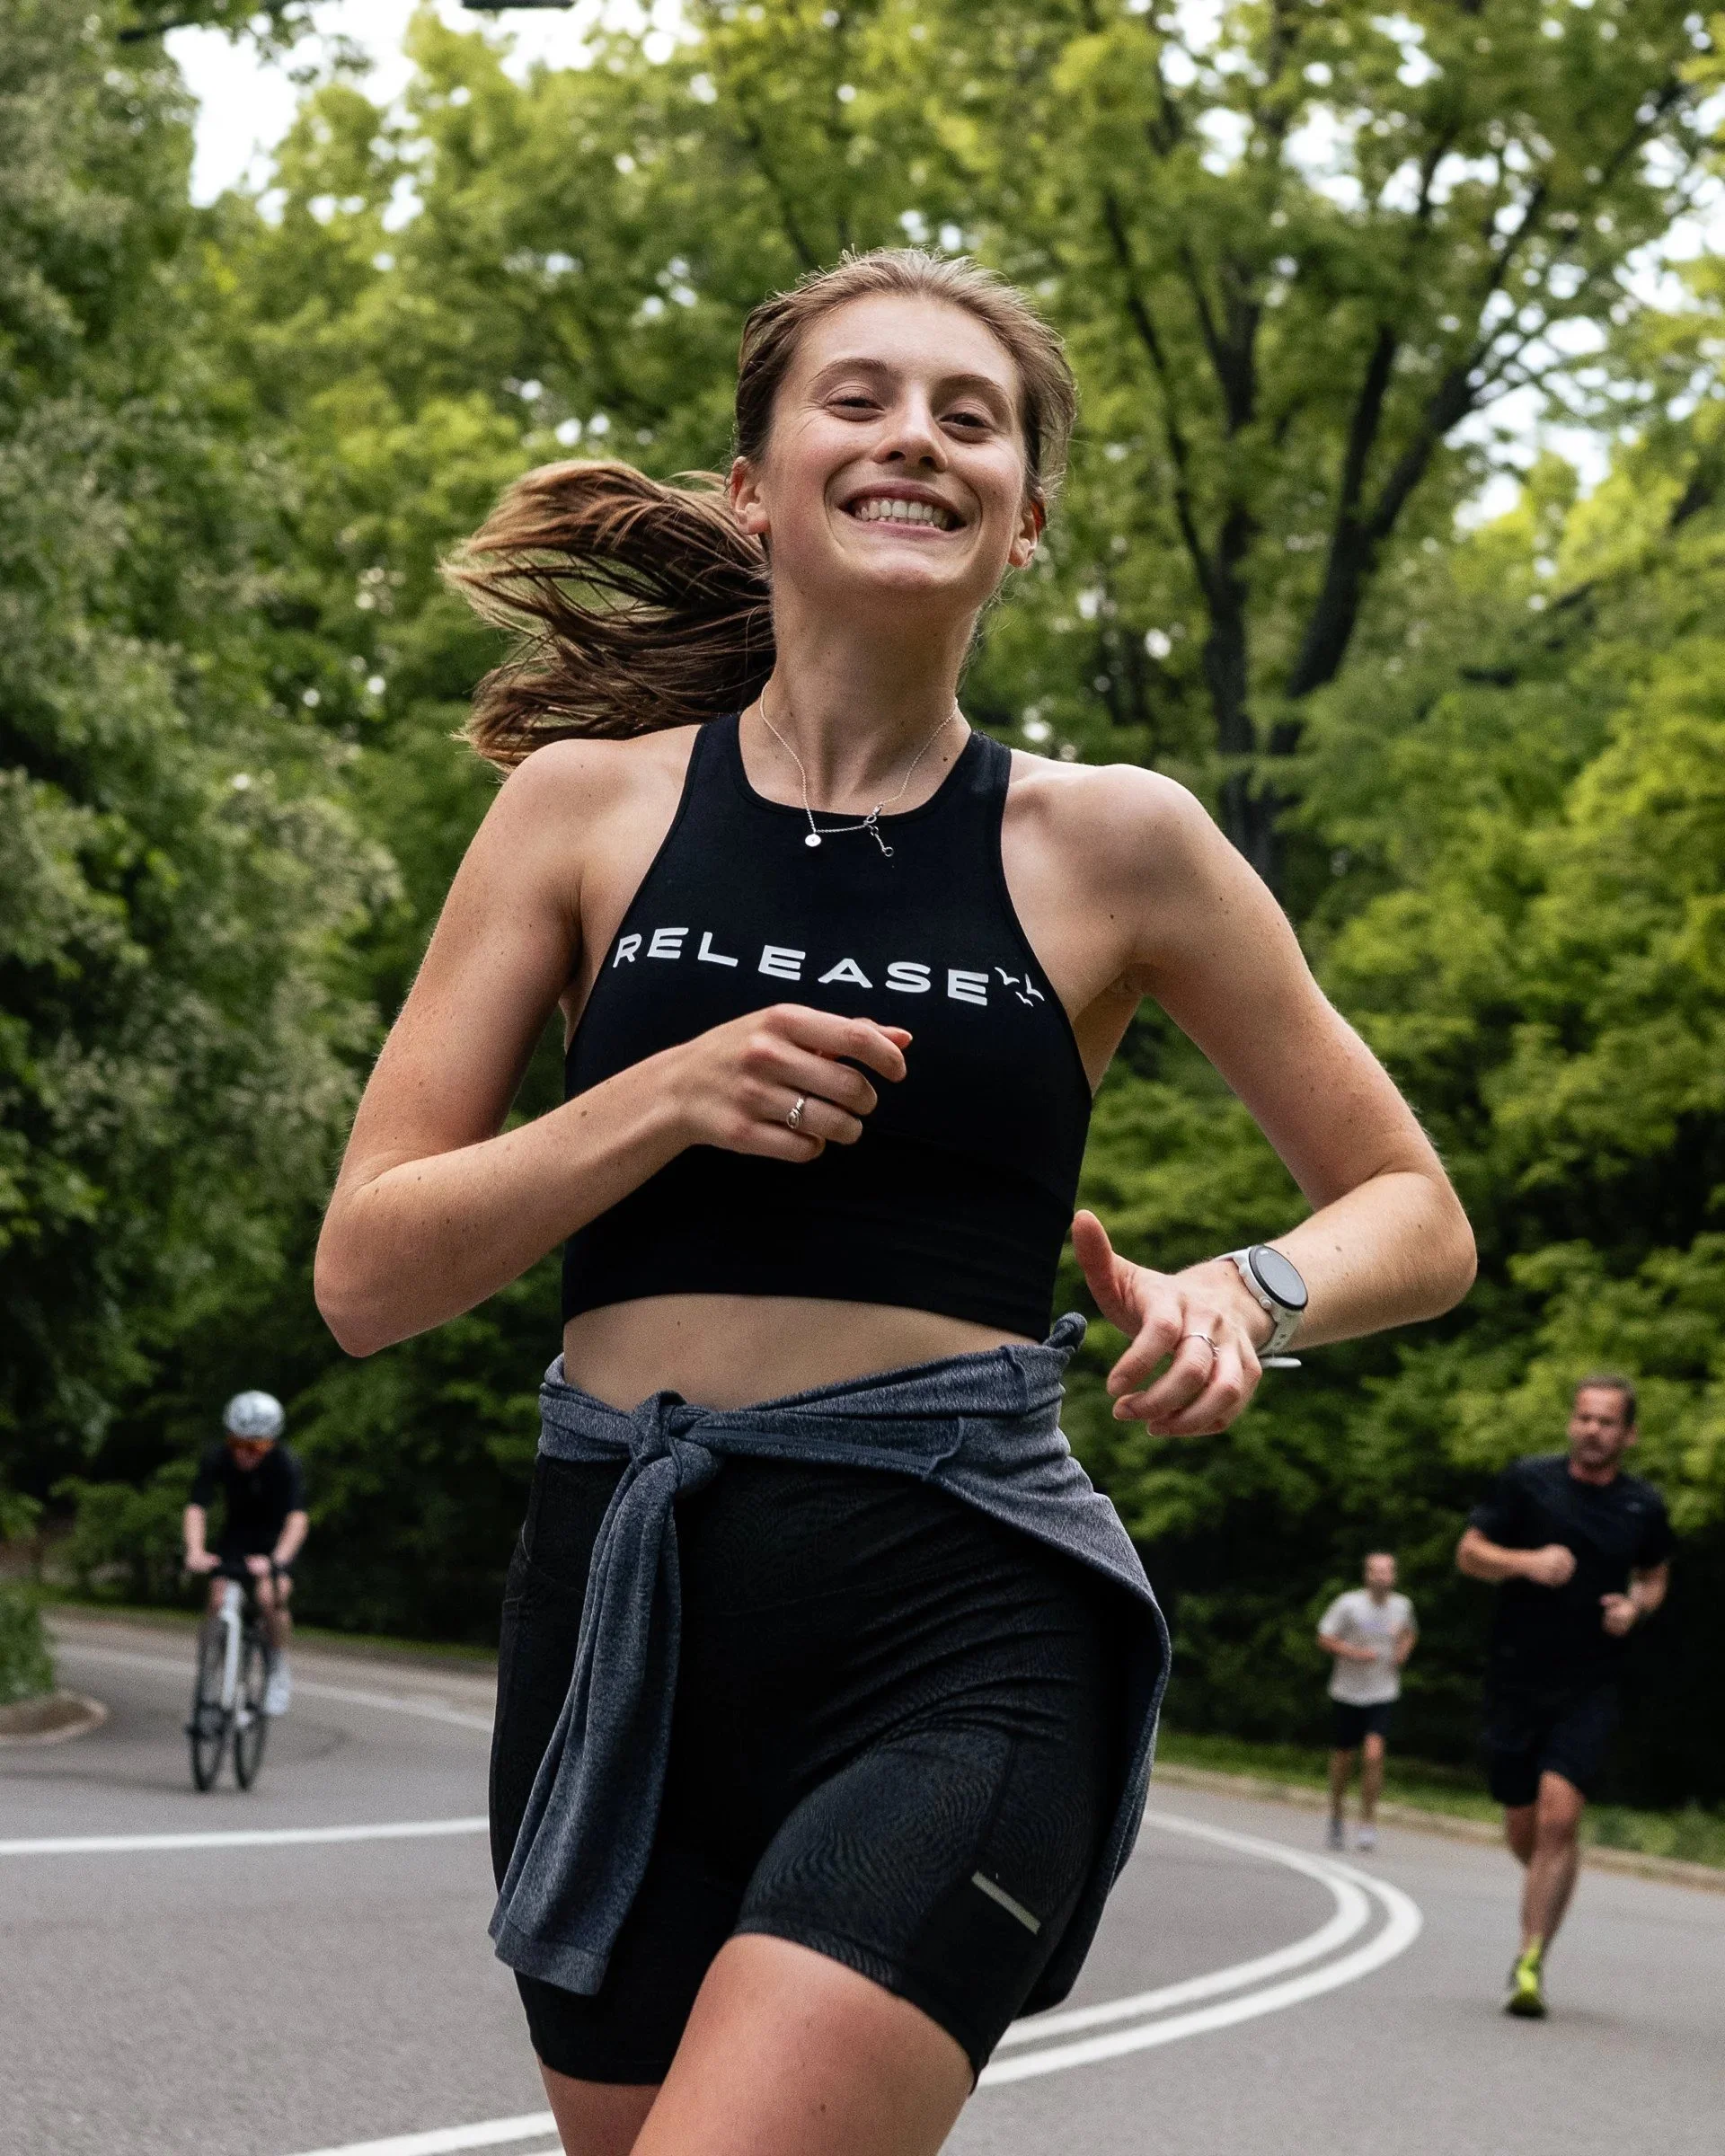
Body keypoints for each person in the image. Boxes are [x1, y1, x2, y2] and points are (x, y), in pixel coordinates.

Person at [314, 248, 1475, 2156]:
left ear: (1025, 522)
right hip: (621, 1605)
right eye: (857, 399)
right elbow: (368, 1276)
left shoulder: (1117, 840)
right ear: (756, 488)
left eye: (971, 418)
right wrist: (657, 1098)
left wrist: (1249, 1291)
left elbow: (1411, 1209)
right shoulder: (582, 811)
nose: (915, 438)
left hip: (956, 1617)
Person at [1456, 1375, 1673, 2019]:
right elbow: (1470, 1554)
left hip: (1590, 1683)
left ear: (1628, 1435)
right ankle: (1550, 1883)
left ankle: (1529, 1960)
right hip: (1515, 1678)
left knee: (1559, 1820)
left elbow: (1654, 1575)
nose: (1592, 1430)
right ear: (1572, 1423)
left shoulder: (1642, 1506)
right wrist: (1527, 1562)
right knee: (1525, 1828)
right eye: (1584, 1418)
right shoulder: (1528, 1481)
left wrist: (1635, 1608)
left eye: (1607, 1422)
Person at [182, 1391, 307, 1717]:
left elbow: (297, 1519)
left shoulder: (285, 1464)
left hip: (275, 1542)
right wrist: (195, 1550)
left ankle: (277, 1666)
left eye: (255, 1447)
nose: (244, 1454)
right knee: (217, 1599)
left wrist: (277, 1560)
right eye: (237, 1443)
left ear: (271, 1443)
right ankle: (209, 1672)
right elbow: (197, 1508)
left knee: (269, 1598)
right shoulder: (217, 1457)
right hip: (236, 1539)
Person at [1317, 1552, 1416, 1854]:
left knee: (1374, 1754)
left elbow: (1409, 1633)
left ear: (1394, 1576)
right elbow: (1324, 1637)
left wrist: (1402, 1652)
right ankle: (1336, 1814)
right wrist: (1354, 1654)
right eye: (1377, 1571)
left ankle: (1367, 1822)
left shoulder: (1402, 1606)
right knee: (1344, 1758)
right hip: (1347, 1692)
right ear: (1367, 1575)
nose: (1382, 1577)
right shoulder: (1349, 1604)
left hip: (1382, 1692)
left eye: (1388, 1571)